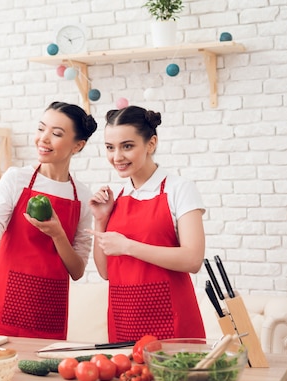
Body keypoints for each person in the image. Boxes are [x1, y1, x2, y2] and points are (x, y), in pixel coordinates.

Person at [0, 101, 97, 339]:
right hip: (1, 309)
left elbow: (77, 270)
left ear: (78, 146)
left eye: (56, 134)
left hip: (48, 314)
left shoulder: (82, 196)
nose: (43, 139)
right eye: (41, 129)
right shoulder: (16, 179)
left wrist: (58, 234)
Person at [88, 105, 206, 343]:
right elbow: (106, 272)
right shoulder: (117, 198)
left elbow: (193, 260)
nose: (117, 157)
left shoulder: (179, 189)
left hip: (171, 324)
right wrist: (100, 220)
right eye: (110, 148)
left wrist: (128, 247)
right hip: (124, 323)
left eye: (127, 146)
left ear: (151, 144)